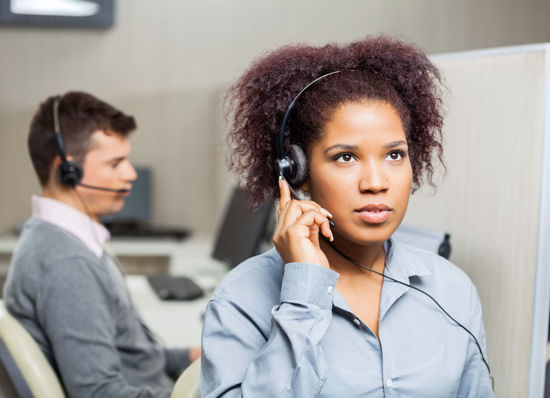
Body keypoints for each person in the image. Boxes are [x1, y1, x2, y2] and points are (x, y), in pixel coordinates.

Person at [200, 37, 494, 397]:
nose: (375, 183)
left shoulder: (452, 289)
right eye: (345, 157)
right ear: (298, 171)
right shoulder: (241, 297)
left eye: (394, 155)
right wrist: (304, 292)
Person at [3, 91, 200, 398]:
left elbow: (131, 354)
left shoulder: (64, 240)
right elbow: (98, 393)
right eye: (115, 163)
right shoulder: (67, 264)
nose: (131, 173)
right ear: (68, 172)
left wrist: (193, 356)